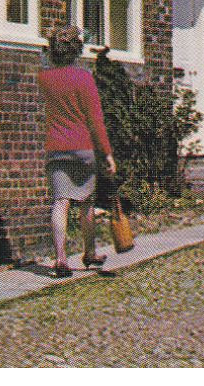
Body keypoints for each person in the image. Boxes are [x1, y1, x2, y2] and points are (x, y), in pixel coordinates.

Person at [37, 25, 116, 277]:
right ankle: (89, 253)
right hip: (83, 148)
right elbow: (95, 120)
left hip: (56, 147)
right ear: (76, 51)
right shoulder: (84, 78)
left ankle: (61, 259)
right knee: (86, 203)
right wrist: (107, 154)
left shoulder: (44, 78)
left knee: (60, 203)